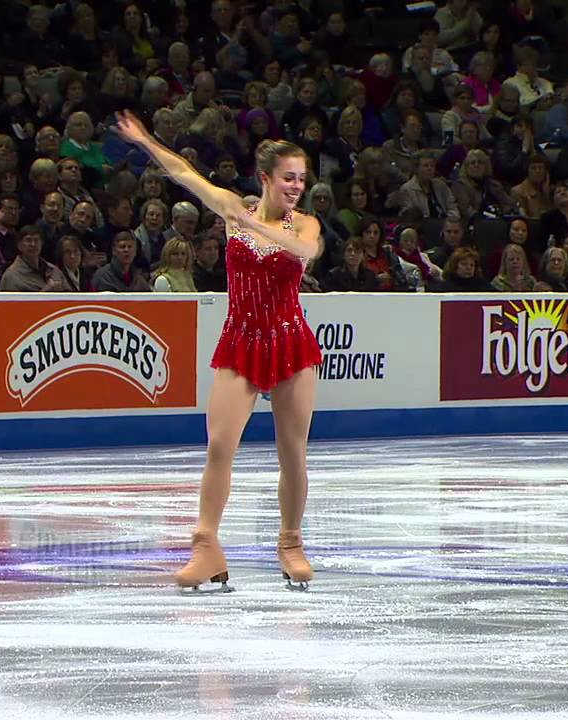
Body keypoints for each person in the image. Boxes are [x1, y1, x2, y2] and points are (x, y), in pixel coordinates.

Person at [115, 109, 323, 593]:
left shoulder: (305, 225)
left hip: (290, 340)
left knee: (292, 452)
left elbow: (306, 253)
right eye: (288, 178)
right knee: (218, 446)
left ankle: (290, 543)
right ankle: (206, 546)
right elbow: (184, 174)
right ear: (266, 177)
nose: (296, 186)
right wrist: (147, 138)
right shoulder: (233, 208)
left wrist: (264, 231)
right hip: (242, 341)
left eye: (301, 179)